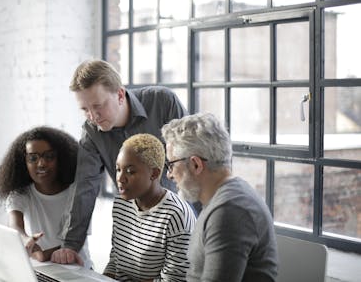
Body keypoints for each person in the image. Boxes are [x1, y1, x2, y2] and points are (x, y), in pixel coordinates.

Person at [51, 59, 189, 265]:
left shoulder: (163, 102)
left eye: (98, 106)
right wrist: (70, 245)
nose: (93, 116)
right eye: (84, 109)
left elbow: (191, 165)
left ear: (120, 95)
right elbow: (84, 186)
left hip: (180, 223)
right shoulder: (91, 132)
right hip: (133, 226)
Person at [161, 113, 278, 282]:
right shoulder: (221, 200)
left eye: (171, 165)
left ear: (195, 164)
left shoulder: (229, 211)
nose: (169, 175)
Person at [0, 126, 92, 268]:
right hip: (42, 269)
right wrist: (26, 240)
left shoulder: (77, 193)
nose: (41, 164)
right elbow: (15, 226)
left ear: (61, 159)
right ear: (23, 163)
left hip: (76, 269)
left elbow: (75, 242)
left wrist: (42, 255)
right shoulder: (21, 194)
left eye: (49, 156)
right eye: (33, 158)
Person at [103, 133, 195, 281]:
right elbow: (115, 260)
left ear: (154, 173)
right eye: (118, 169)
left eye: (130, 171)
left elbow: (174, 280)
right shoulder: (121, 203)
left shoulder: (176, 215)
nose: (120, 178)